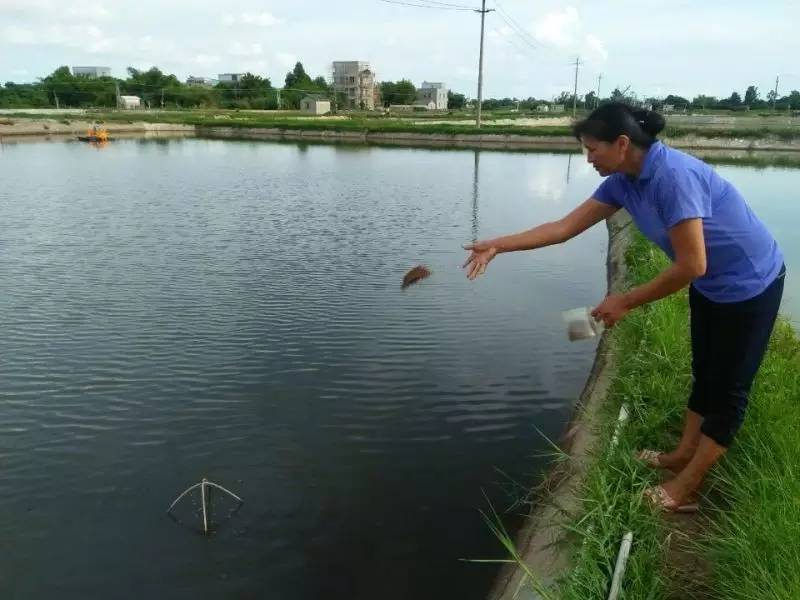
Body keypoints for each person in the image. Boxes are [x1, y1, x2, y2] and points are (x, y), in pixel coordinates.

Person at [461, 102, 786, 512]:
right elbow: (563, 228)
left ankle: (686, 487)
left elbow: (692, 265)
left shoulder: (673, 177)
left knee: (730, 390)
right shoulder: (622, 182)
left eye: (592, 149)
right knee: (705, 372)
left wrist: (625, 301)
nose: (588, 159)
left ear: (621, 143)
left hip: (751, 284)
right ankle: (682, 454)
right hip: (711, 285)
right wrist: (498, 245)